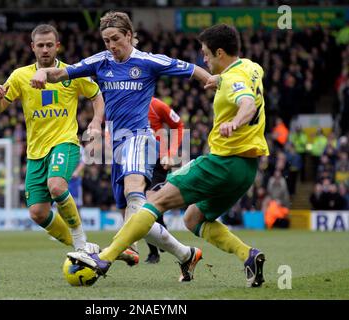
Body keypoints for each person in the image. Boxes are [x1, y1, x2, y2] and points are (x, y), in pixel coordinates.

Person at [67, 23, 269, 288]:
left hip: (221, 162)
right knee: (193, 219)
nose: (204, 60)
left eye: (206, 54)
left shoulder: (230, 81)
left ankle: (104, 257)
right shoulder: (252, 68)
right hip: (247, 170)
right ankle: (247, 255)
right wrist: (219, 79)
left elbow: (247, 103)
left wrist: (236, 122)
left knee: (152, 202)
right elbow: (241, 85)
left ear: (220, 53)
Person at [31, 11, 217, 281]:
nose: (111, 45)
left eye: (115, 39)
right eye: (106, 40)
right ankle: (186, 254)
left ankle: (107, 256)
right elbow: (62, 72)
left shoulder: (148, 61)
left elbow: (189, 68)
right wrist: (43, 73)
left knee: (134, 195)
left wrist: (212, 80)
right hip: (116, 147)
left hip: (139, 138)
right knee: (134, 210)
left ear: (129, 36)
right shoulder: (101, 61)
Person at [0, 24, 104, 253]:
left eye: (49, 45)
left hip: (64, 142)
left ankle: (81, 243)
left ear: (57, 46)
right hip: (35, 153)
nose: (45, 50)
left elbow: (96, 95)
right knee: (38, 213)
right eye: (40, 45)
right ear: (32, 47)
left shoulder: (72, 72)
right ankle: (88, 248)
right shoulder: (20, 75)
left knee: (57, 186)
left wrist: (96, 122)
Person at [145, 97, 185, 264]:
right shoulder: (125, 102)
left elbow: (178, 125)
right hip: (135, 160)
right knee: (141, 205)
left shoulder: (156, 105)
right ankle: (156, 246)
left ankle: (158, 244)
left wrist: (170, 153)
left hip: (157, 162)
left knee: (149, 202)